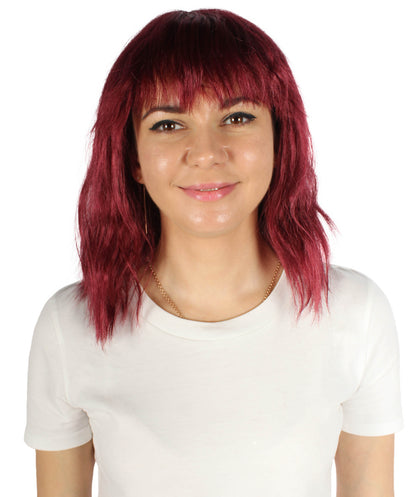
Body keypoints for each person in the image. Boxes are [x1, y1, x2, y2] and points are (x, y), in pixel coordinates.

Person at [24, 9, 403, 497]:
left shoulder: (354, 314)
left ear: (279, 138)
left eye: (237, 117)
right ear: (133, 158)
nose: (206, 152)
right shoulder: (70, 327)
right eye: (168, 124)